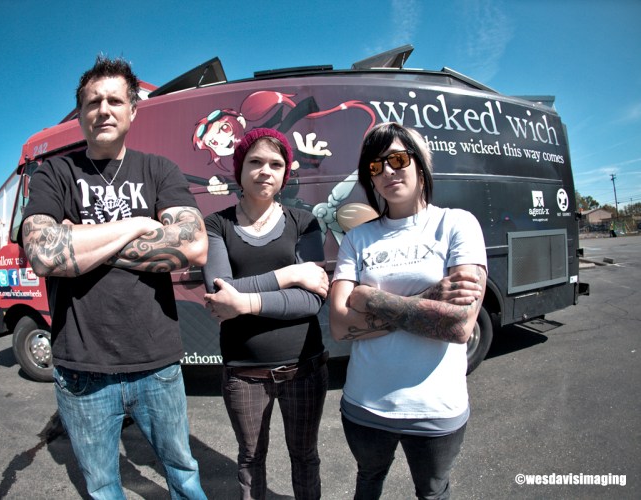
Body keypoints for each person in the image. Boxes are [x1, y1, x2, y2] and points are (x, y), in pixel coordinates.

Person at [19, 55, 208, 500]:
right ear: (81, 113)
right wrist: (139, 224)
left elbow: (193, 245)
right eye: (93, 102)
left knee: (184, 475)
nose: (103, 110)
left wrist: (79, 241)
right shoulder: (55, 174)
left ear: (133, 110)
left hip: (156, 362)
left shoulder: (159, 170)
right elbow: (43, 253)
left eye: (115, 101)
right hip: (82, 367)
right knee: (103, 487)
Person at [329, 122, 488, 500]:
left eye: (398, 159)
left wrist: (368, 298)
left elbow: (458, 326)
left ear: (420, 164)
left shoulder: (456, 224)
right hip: (365, 404)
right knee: (368, 482)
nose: (387, 171)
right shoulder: (357, 238)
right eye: (375, 166)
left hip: (436, 408)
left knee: (433, 492)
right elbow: (339, 325)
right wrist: (431, 298)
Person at [202, 128, 330, 499]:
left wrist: (244, 304)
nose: (265, 171)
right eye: (255, 162)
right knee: (250, 459)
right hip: (244, 373)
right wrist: (290, 275)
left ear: (285, 173)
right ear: (239, 170)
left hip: (305, 368)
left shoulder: (304, 222)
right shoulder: (216, 225)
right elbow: (220, 292)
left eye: (276, 164)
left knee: (305, 457)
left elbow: (311, 300)